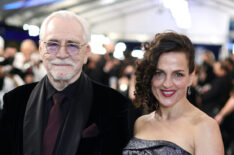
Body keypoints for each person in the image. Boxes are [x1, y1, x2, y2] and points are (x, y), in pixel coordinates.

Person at [0, 10, 130, 155]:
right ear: (41, 49)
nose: (62, 54)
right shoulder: (15, 100)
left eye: (72, 45)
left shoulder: (113, 104)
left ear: (86, 52)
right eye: (53, 44)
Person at [123, 32, 224, 155]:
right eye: (159, 73)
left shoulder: (205, 127)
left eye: (178, 74)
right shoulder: (141, 122)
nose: (167, 84)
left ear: (191, 77)